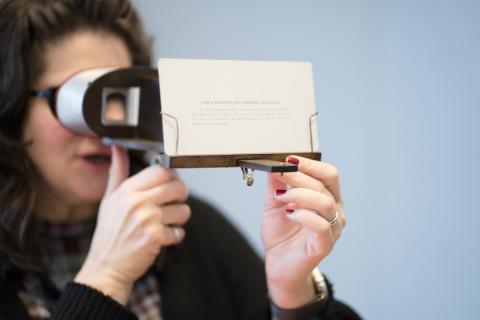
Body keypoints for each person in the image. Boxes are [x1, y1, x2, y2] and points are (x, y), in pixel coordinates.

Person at [0, 0, 362, 319]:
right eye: (79, 101)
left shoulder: (188, 228)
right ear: (12, 106)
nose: (102, 124)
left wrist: (292, 296)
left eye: (121, 95)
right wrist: (107, 276)